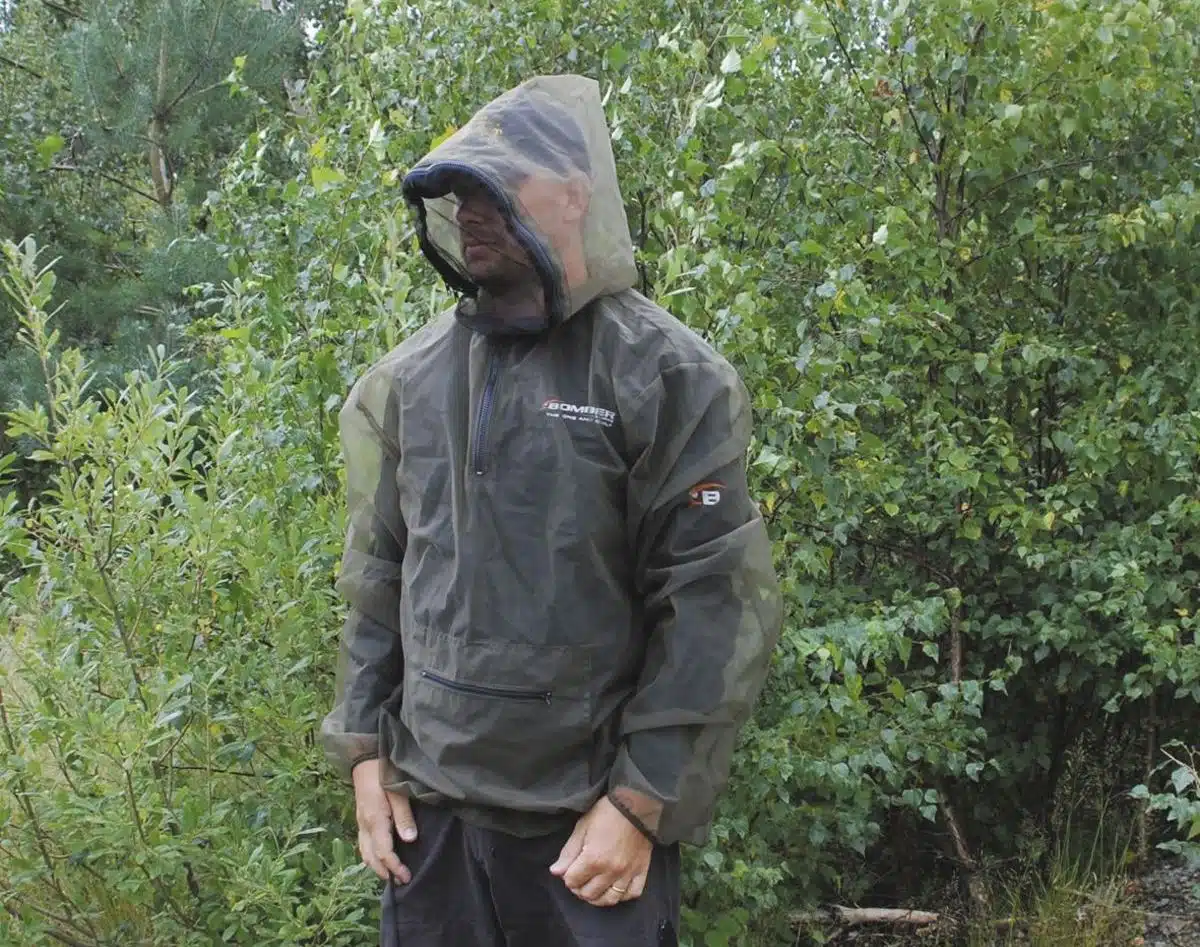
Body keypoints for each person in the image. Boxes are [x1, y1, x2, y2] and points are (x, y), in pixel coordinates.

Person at [320, 74, 782, 947]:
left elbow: (712, 603)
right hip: (429, 830)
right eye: (460, 192)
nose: (473, 210)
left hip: (585, 837)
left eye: (497, 186)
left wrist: (640, 803)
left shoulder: (664, 375)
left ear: (574, 196)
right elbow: (379, 579)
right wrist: (364, 754)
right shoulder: (411, 381)